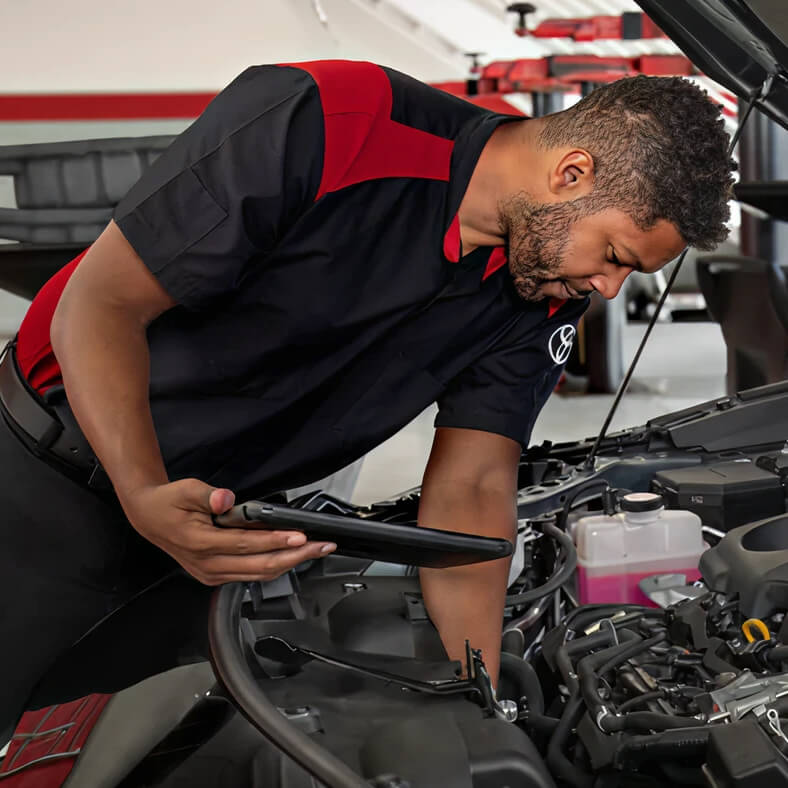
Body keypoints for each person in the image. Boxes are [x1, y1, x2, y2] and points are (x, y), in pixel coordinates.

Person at [0, 60, 734, 738]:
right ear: (572, 173)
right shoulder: (329, 124)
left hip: (221, 533)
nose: (607, 290)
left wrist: (479, 701)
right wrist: (143, 489)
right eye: (613, 258)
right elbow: (99, 308)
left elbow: (474, 484)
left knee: (139, 751)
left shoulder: (541, 290)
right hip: (50, 482)